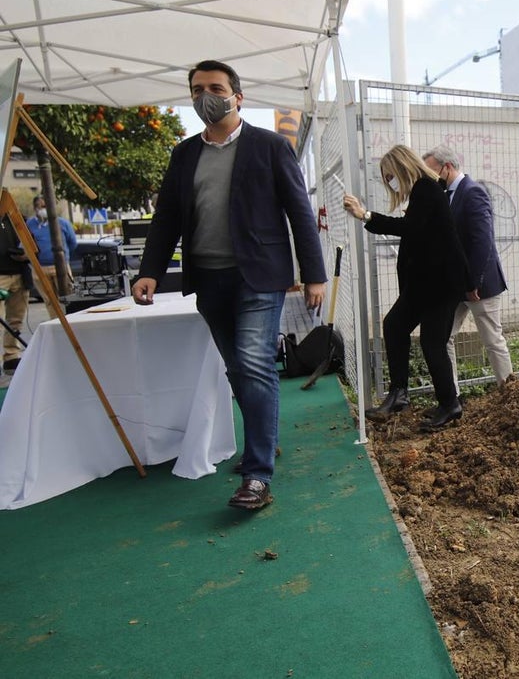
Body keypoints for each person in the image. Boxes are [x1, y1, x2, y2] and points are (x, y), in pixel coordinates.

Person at [131, 59, 326, 511]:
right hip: (209, 277)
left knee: (256, 362)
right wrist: (150, 271)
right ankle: (264, 436)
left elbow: (299, 212)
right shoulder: (184, 155)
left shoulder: (271, 146)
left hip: (259, 276)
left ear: (238, 96)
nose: (206, 96)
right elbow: (167, 220)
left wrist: (313, 274)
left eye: (215, 87)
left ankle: (257, 474)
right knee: (237, 367)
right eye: (197, 89)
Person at [342, 145, 470, 432]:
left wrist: (366, 215)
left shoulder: (427, 189)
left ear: (402, 167)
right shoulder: (422, 193)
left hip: (440, 286)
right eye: (386, 179)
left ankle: (450, 405)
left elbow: (409, 228)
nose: (390, 183)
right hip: (424, 286)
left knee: (432, 344)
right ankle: (399, 393)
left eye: (390, 176)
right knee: (395, 326)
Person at [422, 146, 513, 393]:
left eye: (431, 172)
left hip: (478, 285)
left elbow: (482, 242)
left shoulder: (473, 193)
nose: (429, 178)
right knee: (443, 338)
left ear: (447, 167)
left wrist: (473, 283)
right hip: (456, 285)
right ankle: (452, 397)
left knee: (493, 340)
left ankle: (511, 396)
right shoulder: (445, 195)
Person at [27, 195, 78, 314]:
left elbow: (72, 243)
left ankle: (70, 323)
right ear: (35, 208)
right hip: (40, 268)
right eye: (40, 207)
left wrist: (64, 257)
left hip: (60, 266)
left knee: (67, 298)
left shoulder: (62, 223)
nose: (42, 209)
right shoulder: (30, 224)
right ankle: (55, 323)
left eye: (45, 206)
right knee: (50, 301)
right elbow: (25, 243)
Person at [0, 216, 31, 372]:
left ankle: (11, 356)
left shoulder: (16, 217)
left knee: (15, 320)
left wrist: (27, 252)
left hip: (19, 273)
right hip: (1, 275)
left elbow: (31, 242)